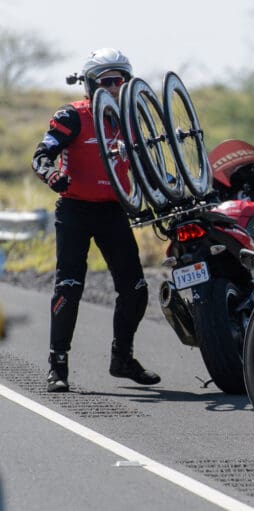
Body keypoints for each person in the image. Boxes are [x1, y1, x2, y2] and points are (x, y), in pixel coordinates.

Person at [31, 48, 160, 392]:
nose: (115, 88)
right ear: (90, 85)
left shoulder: (130, 122)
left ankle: (122, 358)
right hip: (74, 210)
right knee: (69, 288)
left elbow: (148, 167)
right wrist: (51, 175)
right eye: (108, 82)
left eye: (121, 81)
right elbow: (41, 155)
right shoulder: (72, 115)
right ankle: (58, 365)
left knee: (136, 290)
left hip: (113, 211)